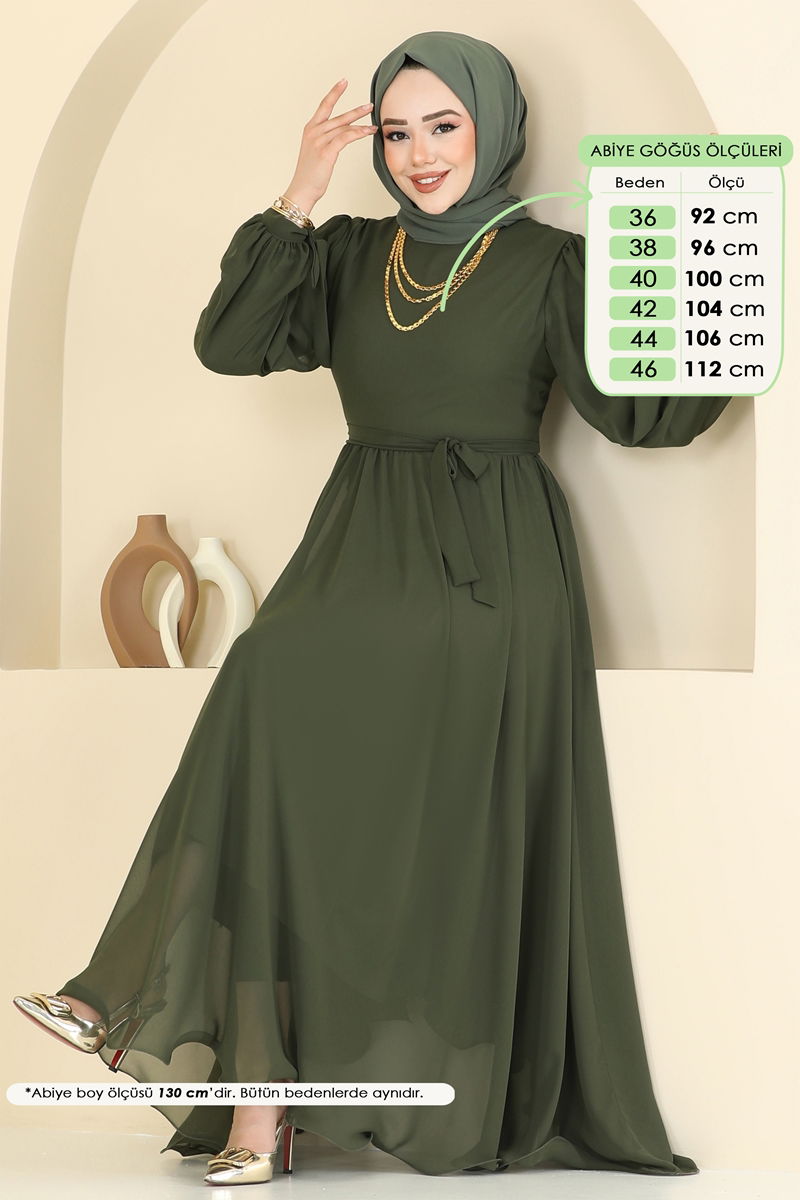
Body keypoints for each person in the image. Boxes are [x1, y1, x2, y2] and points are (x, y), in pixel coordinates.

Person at [14, 30, 731, 1185]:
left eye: (442, 125)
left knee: (325, 738)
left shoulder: (552, 264)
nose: (417, 153)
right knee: (268, 678)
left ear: (494, 126)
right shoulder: (348, 251)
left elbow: (644, 415)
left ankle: (158, 1021)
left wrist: (712, 281)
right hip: (357, 537)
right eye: (395, 132)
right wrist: (298, 193)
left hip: (492, 560)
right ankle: (244, 1099)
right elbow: (232, 342)